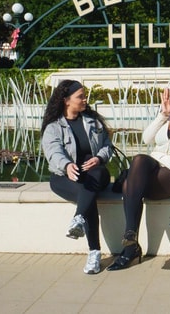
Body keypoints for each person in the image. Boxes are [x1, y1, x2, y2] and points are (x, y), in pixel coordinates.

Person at [107, 71, 170, 271]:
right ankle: (131, 238)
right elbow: (147, 139)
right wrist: (162, 115)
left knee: (129, 184)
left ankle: (130, 248)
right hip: (155, 164)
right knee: (139, 159)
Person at [41, 80, 113, 275]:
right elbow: (53, 152)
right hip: (65, 176)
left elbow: (108, 145)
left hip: (95, 174)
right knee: (86, 194)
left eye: (84, 95)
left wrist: (99, 158)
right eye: (80, 96)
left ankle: (79, 219)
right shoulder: (53, 127)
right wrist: (66, 165)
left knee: (93, 179)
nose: (85, 99)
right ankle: (94, 252)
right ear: (66, 100)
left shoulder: (93, 121)